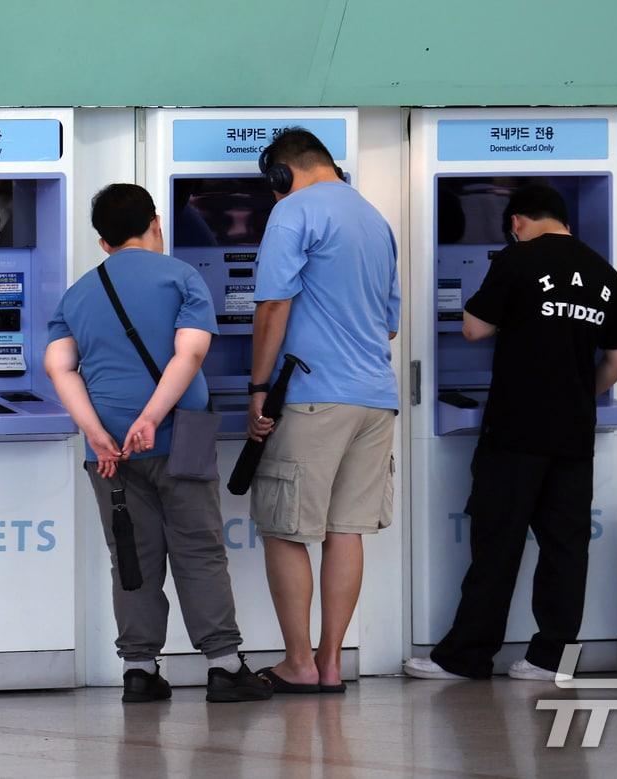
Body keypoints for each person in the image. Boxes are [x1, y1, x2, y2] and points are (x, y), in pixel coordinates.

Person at [45, 183, 272, 704]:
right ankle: (222, 666)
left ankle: (140, 671)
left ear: (103, 242)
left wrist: (97, 434)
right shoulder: (181, 277)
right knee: (199, 551)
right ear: (155, 222)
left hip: (109, 456)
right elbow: (189, 356)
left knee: (131, 556)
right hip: (179, 438)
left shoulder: (78, 293)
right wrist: (151, 417)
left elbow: (60, 368)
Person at [405, 184, 617, 682]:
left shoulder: (518, 259)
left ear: (516, 223)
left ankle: (466, 656)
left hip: (516, 428)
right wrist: (579, 393)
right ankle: (552, 659)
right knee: (566, 548)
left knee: (498, 543)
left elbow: (472, 329)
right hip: (573, 433)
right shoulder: (605, 275)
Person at [245, 128, 400, 694]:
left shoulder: (293, 214)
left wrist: (258, 388)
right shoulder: (375, 221)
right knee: (346, 530)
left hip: (312, 395)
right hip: (374, 399)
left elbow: (271, 308)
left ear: (282, 174)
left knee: (284, 528)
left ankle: (298, 663)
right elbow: (387, 322)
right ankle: (332, 663)